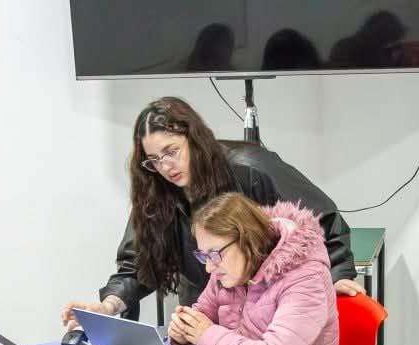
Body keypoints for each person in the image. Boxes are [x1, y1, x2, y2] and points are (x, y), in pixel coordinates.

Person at [61, 96, 360, 330]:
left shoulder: (250, 167)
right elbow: (137, 264)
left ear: (194, 138)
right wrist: (109, 306)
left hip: (266, 312)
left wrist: (333, 277)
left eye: (171, 151)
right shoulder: (156, 190)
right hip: (206, 311)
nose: (165, 167)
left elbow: (320, 219)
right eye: (154, 160)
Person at [168, 192, 342, 345]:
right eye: (204, 256)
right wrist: (184, 332)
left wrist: (205, 335)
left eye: (214, 254)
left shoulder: (305, 277)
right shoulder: (229, 270)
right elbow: (201, 318)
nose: (209, 267)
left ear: (247, 241)